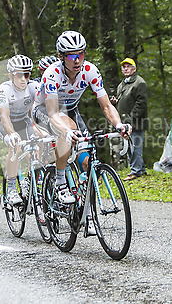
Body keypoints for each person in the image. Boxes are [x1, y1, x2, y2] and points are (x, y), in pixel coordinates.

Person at [33, 30, 131, 211]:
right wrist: (67, 132)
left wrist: (119, 125)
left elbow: (107, 106)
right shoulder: (52, 74)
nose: (77, 60)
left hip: (71, 110)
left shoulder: (90, 71)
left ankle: (83, 207)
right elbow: (54, 114)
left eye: (81, 54)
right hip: (45, 110)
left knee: (87, 161)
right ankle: (60, 183)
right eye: (72, 56)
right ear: (61, 56)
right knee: (68, 129)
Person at [0, 55, 40, 205]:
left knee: (36, 146)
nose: (23, 79)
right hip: (5, 123)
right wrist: (12, 134)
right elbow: (4, 116)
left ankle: (29, 181)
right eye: (19, 75)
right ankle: (12, 188)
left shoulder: (34, 87)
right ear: (11, 75)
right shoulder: (4, 89)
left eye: (26, 74)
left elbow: (36, 113)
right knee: (15, 145)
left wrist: (42, 130)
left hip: (23, 121)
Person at [111, 57, 149, 181]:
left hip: (136, 121)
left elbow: (141, 103)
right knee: (130, 146)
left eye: (128, 66)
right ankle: (140, 169)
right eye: (124, 67)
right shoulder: (123, 83)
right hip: (125, 121)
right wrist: (116, 102)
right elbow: (124, 100)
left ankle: (136, 172)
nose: (126, 69)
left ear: (134, 68)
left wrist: (131, 119)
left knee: (135, 146)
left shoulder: (139, 82)